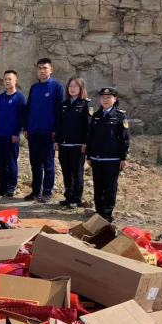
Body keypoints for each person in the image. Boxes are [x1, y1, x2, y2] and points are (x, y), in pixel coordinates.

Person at [23, 58, 65, 203]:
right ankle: (36, 191)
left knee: (48, 164)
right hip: (33, 131)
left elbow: (60, 111)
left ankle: (47, 192)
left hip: (48, 132)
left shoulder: (57, 87)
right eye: (40, 68)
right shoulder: (34, 88)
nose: (42, 71)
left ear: (51, 70)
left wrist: (56, 130)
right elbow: (29, 108)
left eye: (45, 68)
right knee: (35, 164)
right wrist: (26, 127)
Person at [86, 87, 130, 222]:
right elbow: (90, 137)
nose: (105, 100)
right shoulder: (96, 115)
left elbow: (124, 138)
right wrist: (89, 155)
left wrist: (123, 157)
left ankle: (107, 214)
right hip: (96, 158)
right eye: (103, 97)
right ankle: (99, 212)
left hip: (112, 159)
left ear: (115, 99)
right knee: (98, 186)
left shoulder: (120, 116)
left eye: (108, 97)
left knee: (110, 187)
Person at [55, 77, 91, 208]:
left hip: (77, 145)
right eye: (70, 86)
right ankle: (68, 197)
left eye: (75, 86)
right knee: (66, 172)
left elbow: (88, 127)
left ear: (81, 88)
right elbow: (58, 124)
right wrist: (56, 140)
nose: (72, 88)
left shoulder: (85, 104)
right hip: (64, 144)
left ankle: (76, 198)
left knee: (77, 172)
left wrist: (85, 143)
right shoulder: (63, 104)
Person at [0, 70, 25, 197]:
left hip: (12, 136)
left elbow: (21, 117)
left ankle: (11, 187)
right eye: (5, 79)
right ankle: (2, 187)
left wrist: (16, 133)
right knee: (0, 163)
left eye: (10, 79)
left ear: (15, 80)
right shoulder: (0, 98)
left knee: (11, 163)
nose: (7, 81)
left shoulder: (20, 98)